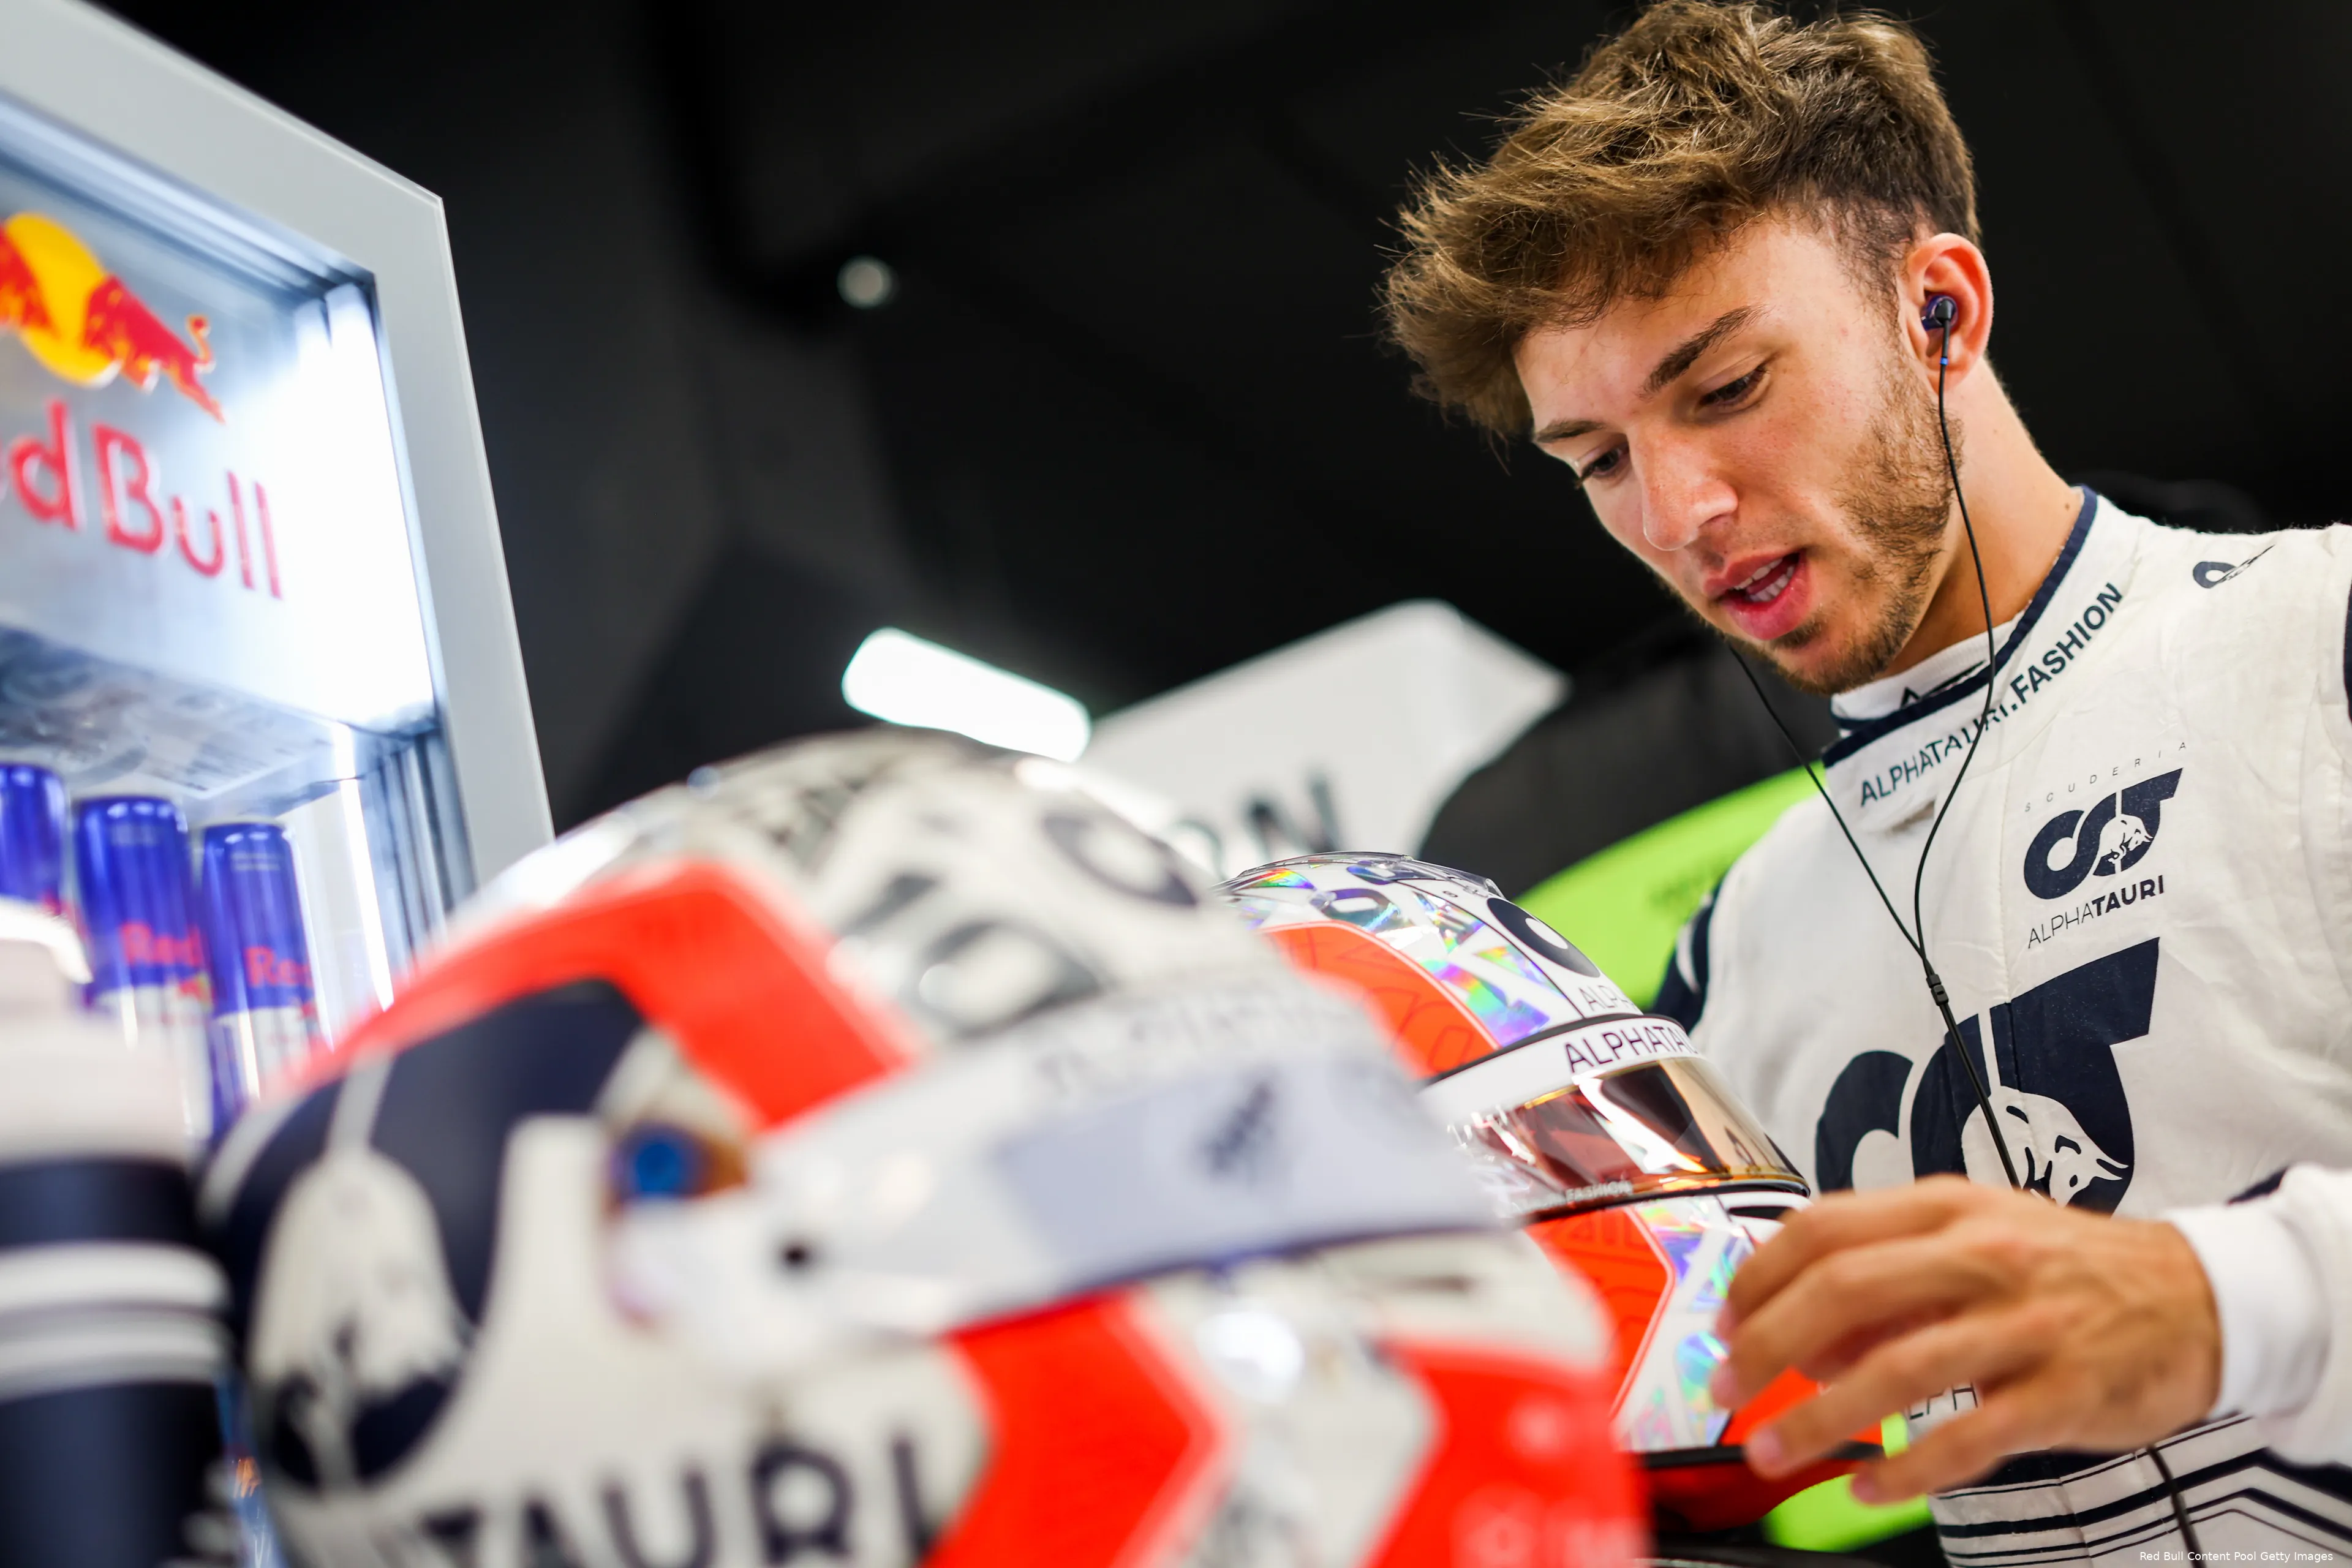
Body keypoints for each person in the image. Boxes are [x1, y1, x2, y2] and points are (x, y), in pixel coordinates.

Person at [1382, 1, 2352, 1561]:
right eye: (1599, 459)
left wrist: (2235, 1301)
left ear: (1940, 313)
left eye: (1725, 387)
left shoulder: (2323, 638)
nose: (1680, 510)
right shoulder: (1733, 955)